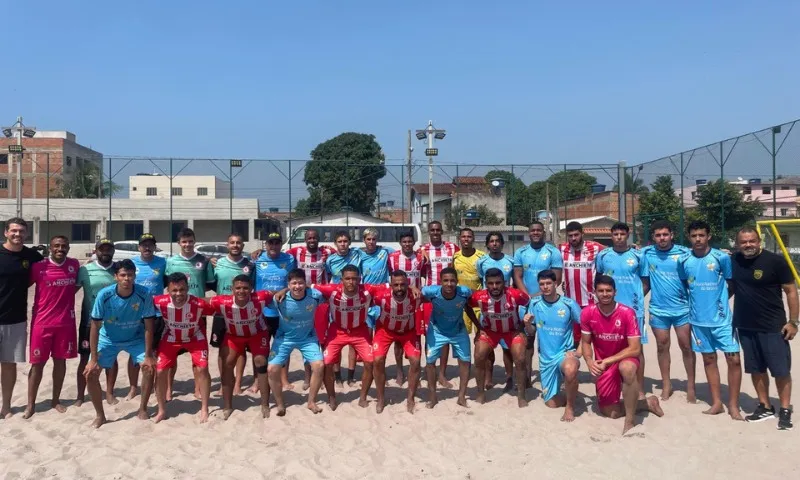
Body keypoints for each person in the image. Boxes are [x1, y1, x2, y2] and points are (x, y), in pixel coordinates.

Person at [732, 226, 798, 430]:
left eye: (752, 240)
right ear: (737, 244)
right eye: (743, 242)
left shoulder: (775, 261)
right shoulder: (734, 260)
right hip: (745, 325)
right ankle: (765, 406)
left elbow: (791, 291)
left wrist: (793, 321)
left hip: (773, 325)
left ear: (759, 241)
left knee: (780, 370)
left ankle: (785, 409)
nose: (748, 245)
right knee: (756, 368)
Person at [580, 275, 664, 435]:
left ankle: (630, 421)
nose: (605, 294)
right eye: (601, 291)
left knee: (627, 368)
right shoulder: (587, 313)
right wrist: (590, 360)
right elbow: (585, 342)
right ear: (594, 292)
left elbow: (635, 349)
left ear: (615, 292)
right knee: (610, 413)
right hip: (602, 362)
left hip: (625, 357)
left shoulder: (627, 312)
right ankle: (647, 403)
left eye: (608, 291)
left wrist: (608, 361)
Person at [678, 220, 742, 420]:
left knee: (734, 359)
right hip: (698, 322)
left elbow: (731, 284)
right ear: (689, 237)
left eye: (701, 235)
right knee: (709, 359)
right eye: (694, 236)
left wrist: (719, 303)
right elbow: (684, 284)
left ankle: (733, 405)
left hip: (723, 321)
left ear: (708, 236)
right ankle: (716, 403)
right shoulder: (683, 260)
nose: (698, 239)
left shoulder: (721, 257)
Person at [84, 259, 157, 428]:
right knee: (90, 373)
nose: (127, 279)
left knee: (149, 367)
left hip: (135, 338)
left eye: (130, 275)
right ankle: (100, 415)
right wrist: (93, 358)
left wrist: (148, 355)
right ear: (115, 276)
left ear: (134, 276)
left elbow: (148, 325)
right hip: (108, 339)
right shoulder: (105, 295)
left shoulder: (144, 293)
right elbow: (95, 325)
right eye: (123, 275)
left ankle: (143, 409)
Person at [641, 220, 696, 402]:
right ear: (653, 238)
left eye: (665, 234)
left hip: (682, 309)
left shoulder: (684, 253)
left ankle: (690, 385)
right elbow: (643, 282)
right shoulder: (647, 254)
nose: (662, 238)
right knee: (662, 346)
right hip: (658, 309)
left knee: (686, 346)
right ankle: (666, 384)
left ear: (672, 235)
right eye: (658, 235)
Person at [25, 235, 79, 418]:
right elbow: (21, 286)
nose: (60, 249)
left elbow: (75, 287)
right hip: (42, 323)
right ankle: (30, 404)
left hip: (65, 324)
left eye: (64, 246)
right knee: (37, 364)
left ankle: (55, 400)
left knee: (60, 362)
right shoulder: (38, 267)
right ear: (50, 247)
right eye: (56, 245)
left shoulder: (74, 265)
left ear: (68, 248)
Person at [313, 265, 381, 411]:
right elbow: (307, 286)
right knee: (327, 364)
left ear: (359, 279)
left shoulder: (368, 289)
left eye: (354, 279)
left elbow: (391, 287)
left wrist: (413, 289)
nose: (351, 282)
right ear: (341, 279)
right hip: (337, 331)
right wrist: (285, 290)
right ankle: (331, 396)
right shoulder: (331, 290)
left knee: (370, 363)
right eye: (347, 279)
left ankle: (363, 396)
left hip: (360, 331)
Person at [595, 222, 649, 397]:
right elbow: (599, 281)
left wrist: (636, 299)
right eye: (615, 234)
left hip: (634, 311)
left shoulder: (639, 256)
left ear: (628, 235)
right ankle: (613, 384)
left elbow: (645, 282)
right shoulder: (603, 256)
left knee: (637, 349)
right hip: (609, 309)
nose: (619, 237)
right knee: (611, 346)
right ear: (611, 235)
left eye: (622, 234)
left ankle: (640, 388)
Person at [153, 273, 215, 423]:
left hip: (195, 338)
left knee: (203, 368)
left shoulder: (199, 304)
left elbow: (222, 305)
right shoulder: (159, 301)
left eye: (182, 290)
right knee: (160, 370)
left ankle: (205, 408)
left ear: (188, 288)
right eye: (174, 290)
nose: (178, 294)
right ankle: (161, 409)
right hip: (171, 338)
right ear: (168, 290)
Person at [210, 274, 274, 420]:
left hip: (257, 334)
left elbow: (276, 293)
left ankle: (265, 404)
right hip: (233, 336)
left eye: (245, 288)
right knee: (227, 364)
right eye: (238, 288)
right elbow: (201, 302)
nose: (241, 291)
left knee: (260, 362)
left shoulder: (261, 297)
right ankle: (227, 405)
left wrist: (282, 292)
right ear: (232, 289)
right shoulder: (222, 301)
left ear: (251, 289)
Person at [522, 270, 582, 421]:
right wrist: (528, 325)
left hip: (564, 353)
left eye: (548, 283)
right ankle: (568, 389)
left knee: (570, 369)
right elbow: (531, 331)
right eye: (541, 284)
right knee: (552, 404)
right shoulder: (534, 304)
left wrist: (579, 350)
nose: (545, 287)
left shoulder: (568, 304)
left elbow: (587, 328)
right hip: (546, 358)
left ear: (556, 284)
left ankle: (570, 407)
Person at [0, 218, 43, 418]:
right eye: (14, 231)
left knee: (9, 364)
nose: (18, 235)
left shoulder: (32, 256)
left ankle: (6, 406)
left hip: (15, 320)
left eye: (21, 232)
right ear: (5, 233)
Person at [469, 268, 530, 407]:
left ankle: (521, 396)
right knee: (479, 355)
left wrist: (522, 326)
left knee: (520, 358)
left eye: (498, 283)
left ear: (504, 282)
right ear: (486, 283)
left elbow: (529, 303)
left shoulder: (515, 294)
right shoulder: (479, 297)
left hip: (512, 331)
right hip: (490, 331)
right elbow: (467, 305)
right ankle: (480, 393)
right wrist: (479, 327)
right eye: (490, 283)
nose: (494, 286)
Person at [165, 227, 214, 399]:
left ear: (194, 241)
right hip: (175, 312)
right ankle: (169, 388)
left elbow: (208, 284)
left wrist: (196, 295)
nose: (187, 244)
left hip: (197, 312)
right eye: (184, 241)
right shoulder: (171, 262)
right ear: (178, 243)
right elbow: (167, 285)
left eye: (190, 241)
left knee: (197, 354)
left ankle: (198, 388)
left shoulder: (203, 261)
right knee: (172, 353)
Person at [268, 269, 326, 415]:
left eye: (300, 283)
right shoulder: (280, 298)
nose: (297, 287)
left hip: (308, 338)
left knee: (319, 366)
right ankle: (280, 404)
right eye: (293, 283)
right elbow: (263, 299)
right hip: (284, 338)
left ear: (305, 283)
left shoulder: (316, 296)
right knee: (272, 369)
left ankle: (311, 402)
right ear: (288, 284)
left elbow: (328, 297)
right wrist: (282, 290)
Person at [513, 221, 562, 386]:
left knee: (548, 341)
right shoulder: (521, 252)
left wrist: (540, 294)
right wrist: (527, 296)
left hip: (547, 303)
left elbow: (557, 278)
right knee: (527, 340)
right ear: (529, 232)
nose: (535, 233)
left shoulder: (553, 252)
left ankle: (552, 375)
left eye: (539, 230)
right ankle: (526, 377)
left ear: (544, 232)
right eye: (532, 230)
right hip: (526, 302)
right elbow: (517, 276)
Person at [285, 228, 335, 389]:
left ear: (319, 239)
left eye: (314, 237)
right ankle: (308, 376)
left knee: (321, 337)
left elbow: (345, 250)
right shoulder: (296, 251)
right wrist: (258, 251)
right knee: (306, 336)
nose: (312, 240)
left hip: (320, 300)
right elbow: (279, 252)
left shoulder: (327, 252)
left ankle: (321, 374)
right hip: (302, 300)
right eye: (309, 238)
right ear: (305, 239)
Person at [419, 268, 476, 408]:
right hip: (437, 331)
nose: (449, 284)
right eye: (446, 280)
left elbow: (470, 304)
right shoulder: (431, 291)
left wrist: (478, 325)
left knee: (465, 362)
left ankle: (461, 396)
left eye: (452, 281)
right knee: (430, 363)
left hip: (458, 331)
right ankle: (432, 396)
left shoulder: (464, 292)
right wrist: (414, 288)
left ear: (457, 281)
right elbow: (416, 295)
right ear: (440, 282)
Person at [371, 270, 422, 414]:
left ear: (408, 284)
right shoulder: (380, 296)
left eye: (403, 285)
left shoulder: (417, 295)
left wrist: (413, 288)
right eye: (396, 285)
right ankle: (381, 398)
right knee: (378, 360)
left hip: (408, 332)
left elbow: (437, 292)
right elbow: (361, 292)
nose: (399, 288)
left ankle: (410, 398)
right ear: (390, 285)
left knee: (416, 362)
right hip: (385, 331)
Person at [211, 233, 254, 395]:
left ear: (243, 245)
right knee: (222, 349)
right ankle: (224, 383)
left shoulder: (250, 264)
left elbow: (254, 286)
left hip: (242, 312)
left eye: (239, 242)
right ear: (227, 245)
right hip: (222, 311)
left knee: (240, 349)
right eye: (232, 243)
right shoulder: (217, 263)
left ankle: (237, 383)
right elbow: (210, 283)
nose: (235, 245)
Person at [419, 220, 460, 388]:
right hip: (430, 298)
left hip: (448, 298)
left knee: (446, 336)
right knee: (429, 337)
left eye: (438, 230)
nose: (435, 232)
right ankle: (431, 371)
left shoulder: (452, 248)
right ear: (429, 232)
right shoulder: (423, 250)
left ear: (442, 231)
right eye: (432, 230)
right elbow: (419, 271)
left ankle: (442, 374)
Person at [75, 239, 116, 407]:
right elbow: (70, 291)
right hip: (89, 321)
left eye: (108, 249)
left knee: (111, 358)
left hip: (112, 322)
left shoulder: (118, 269)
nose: (105, 252)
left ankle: (109, 393)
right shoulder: (85, 269)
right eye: (102, 249)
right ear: (96, 251)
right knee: (85, 358)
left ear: (113, 251)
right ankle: (80, 395)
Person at [254, 232, 296, 392]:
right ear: (266, 245)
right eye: (270, 243)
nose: (273, 246)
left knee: (283, 346)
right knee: (260, 348)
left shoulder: (289, 259)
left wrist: (284, 290)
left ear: (281, 244)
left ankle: (284, 379)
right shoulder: (257, 259)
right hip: (262, 311)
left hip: (282, 310)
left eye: (277, 243)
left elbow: (293, 281)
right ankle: (258, 380)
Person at [475, 232, 517, 392]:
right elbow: (481, 280)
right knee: (488, 346)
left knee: (507, 346)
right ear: (487, 244)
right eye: (491, 241)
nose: (494, 244)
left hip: (506, 307)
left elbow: (515, 281)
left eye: (497, 241)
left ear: (502, 243)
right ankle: (488, 378)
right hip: (488, 308)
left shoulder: (510, 261)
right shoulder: (482, 262)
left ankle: (509, 377)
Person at [129, 233, 167, 400]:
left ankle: (153, 384)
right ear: (139, 247)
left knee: (155, 351)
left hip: (157, 314)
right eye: (144, 245)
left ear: (154, 247)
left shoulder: (162, 262)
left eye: (150, 245)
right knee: (135, 353)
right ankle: (132, 387)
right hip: (135, 314)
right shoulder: (132, 264)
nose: (147, 247)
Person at [324, 230, 364, 386]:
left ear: (350, 243)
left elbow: (380, 249)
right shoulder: (330, 260)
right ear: (335, 244)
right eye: (340, 241)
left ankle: (351, 376)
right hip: (337, 302)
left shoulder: (357, 255)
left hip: (355, 300)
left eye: (345, 241)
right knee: (337, 341)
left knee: (354, 341)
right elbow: (328, 278)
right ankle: (338, 376)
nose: (343, 244)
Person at [388, 231, 426, 385]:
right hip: (398, 302)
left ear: (414, 242)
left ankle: (414, 370)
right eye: (404, 241)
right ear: (400, 243)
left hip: (416, 302)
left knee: (416, 336)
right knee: (398, 338)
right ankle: (399, 371)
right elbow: (391, 277)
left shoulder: (420, 257)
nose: (407, 244)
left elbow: (425, 273)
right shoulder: (392, 258)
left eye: (410, 241)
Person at [558, 221, 605, 348]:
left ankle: (599, 366)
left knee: (596, 338)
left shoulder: (595, 247)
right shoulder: (561, 249)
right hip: (570, 303)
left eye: (576, 235)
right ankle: (573, 366)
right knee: (574, 339)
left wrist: (633, 248)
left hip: (592, 302)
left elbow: (613, 252)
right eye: (570, 235)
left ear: (582, 233)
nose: (573, 238)